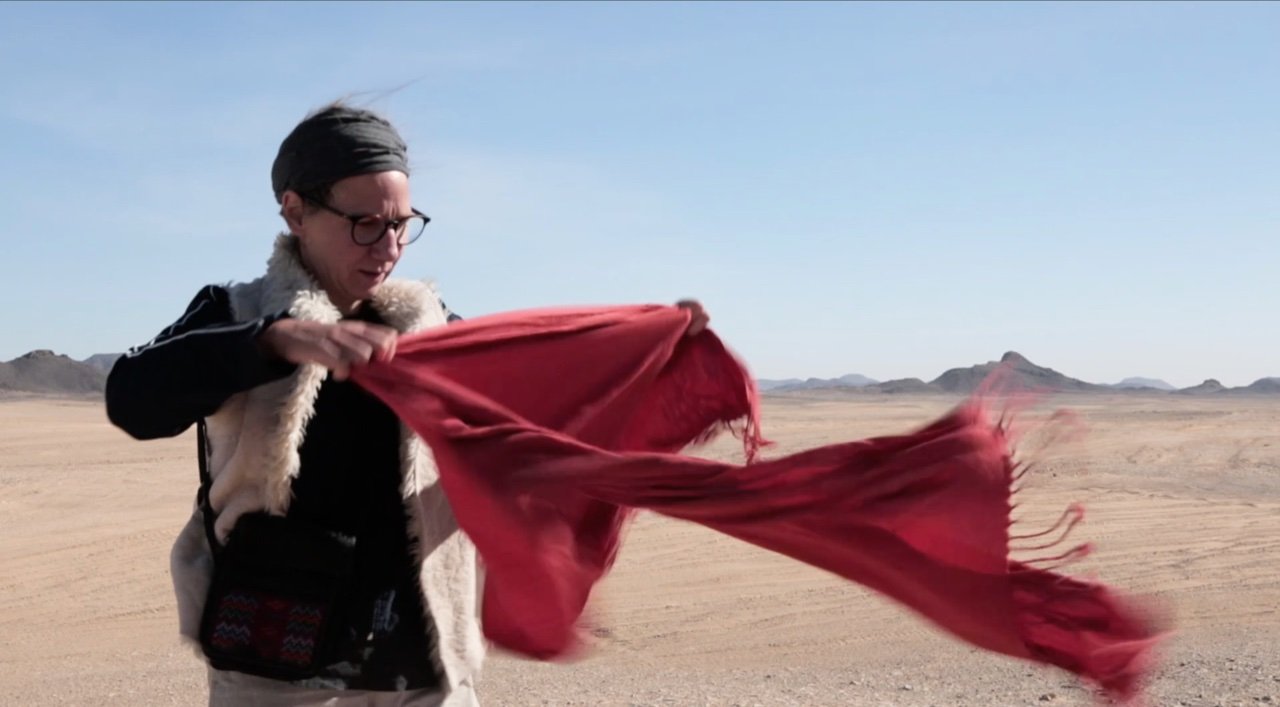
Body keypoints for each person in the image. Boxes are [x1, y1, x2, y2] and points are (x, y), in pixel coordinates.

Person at [105, 101, 709, 706]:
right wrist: (272, 338)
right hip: (276, 663)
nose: (389, 246)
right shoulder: (235, 313)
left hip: (423, 670)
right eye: (365, 223)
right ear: (296, 211)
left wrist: (646, 350)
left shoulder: (438, 332)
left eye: (401, 223)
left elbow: (544, 415)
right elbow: (134, 398)